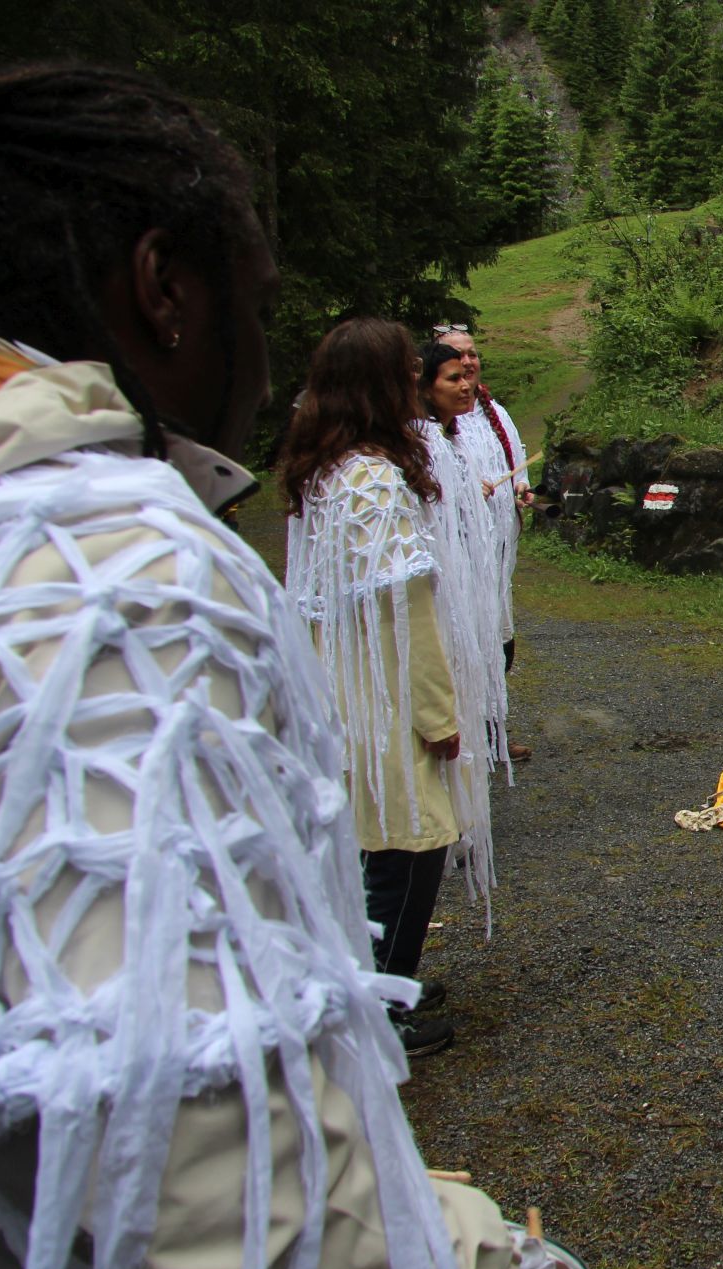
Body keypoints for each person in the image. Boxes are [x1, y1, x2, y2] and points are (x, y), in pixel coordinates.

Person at [0, 64, 591, 1269]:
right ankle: (400, 982)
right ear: (164, 291)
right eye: (254, 310)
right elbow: (191, 1145)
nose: (259, 366)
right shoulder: (113, 580)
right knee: (403, 863)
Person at [282, 319, 466, 1058]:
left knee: (369, 843)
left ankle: (375, 984)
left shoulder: (324, 468)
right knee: (408, 845)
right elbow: (407, 611)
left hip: (338, 682)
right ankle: (379, 1008)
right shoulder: (375, 481)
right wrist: (438, 713)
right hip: (382, 689)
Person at [414, 340, 508, 913]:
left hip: (468, 588)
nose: (465, 384)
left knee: (470, 697)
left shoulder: (454, 438)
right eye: (452, 376)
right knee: (449, 701)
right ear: (425, 385)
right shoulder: (418, 445)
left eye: (467, 374)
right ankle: (447, 824)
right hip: (444, 596)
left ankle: (464, 821)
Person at [436, 324, 533, 762]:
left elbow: (514, 459)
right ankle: (460, 733)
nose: (468, 364)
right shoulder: (435, 426)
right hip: (457, 554)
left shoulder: (495, 412)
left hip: (495, 551)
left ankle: (493, 728)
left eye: (472, 355)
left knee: (500, 639)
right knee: (462, 641)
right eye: (457, 359)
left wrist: (521, 489)